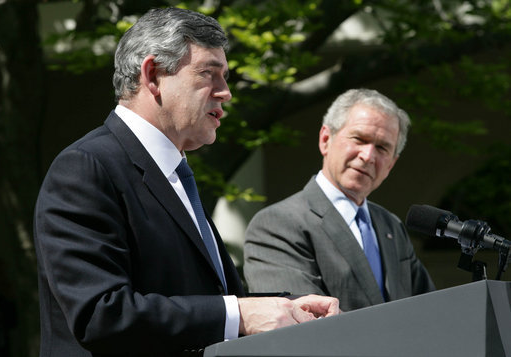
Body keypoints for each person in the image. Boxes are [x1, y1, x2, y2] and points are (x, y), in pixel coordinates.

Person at [33, 7, 339, 357]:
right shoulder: (85, 168)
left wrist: (289, 307)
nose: (226, 92)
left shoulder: (175, 174)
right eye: (209, 74)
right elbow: (101, 314)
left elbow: (201, 301)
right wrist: (240, 314)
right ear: (152, 75)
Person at [243, 88, 435, 312]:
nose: (368, 156)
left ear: (391, 163)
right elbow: (299, 323)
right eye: (359, 139)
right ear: (325, 139)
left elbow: (428, 310)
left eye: (382, 148)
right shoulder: (278, 224)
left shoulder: (390, 225)